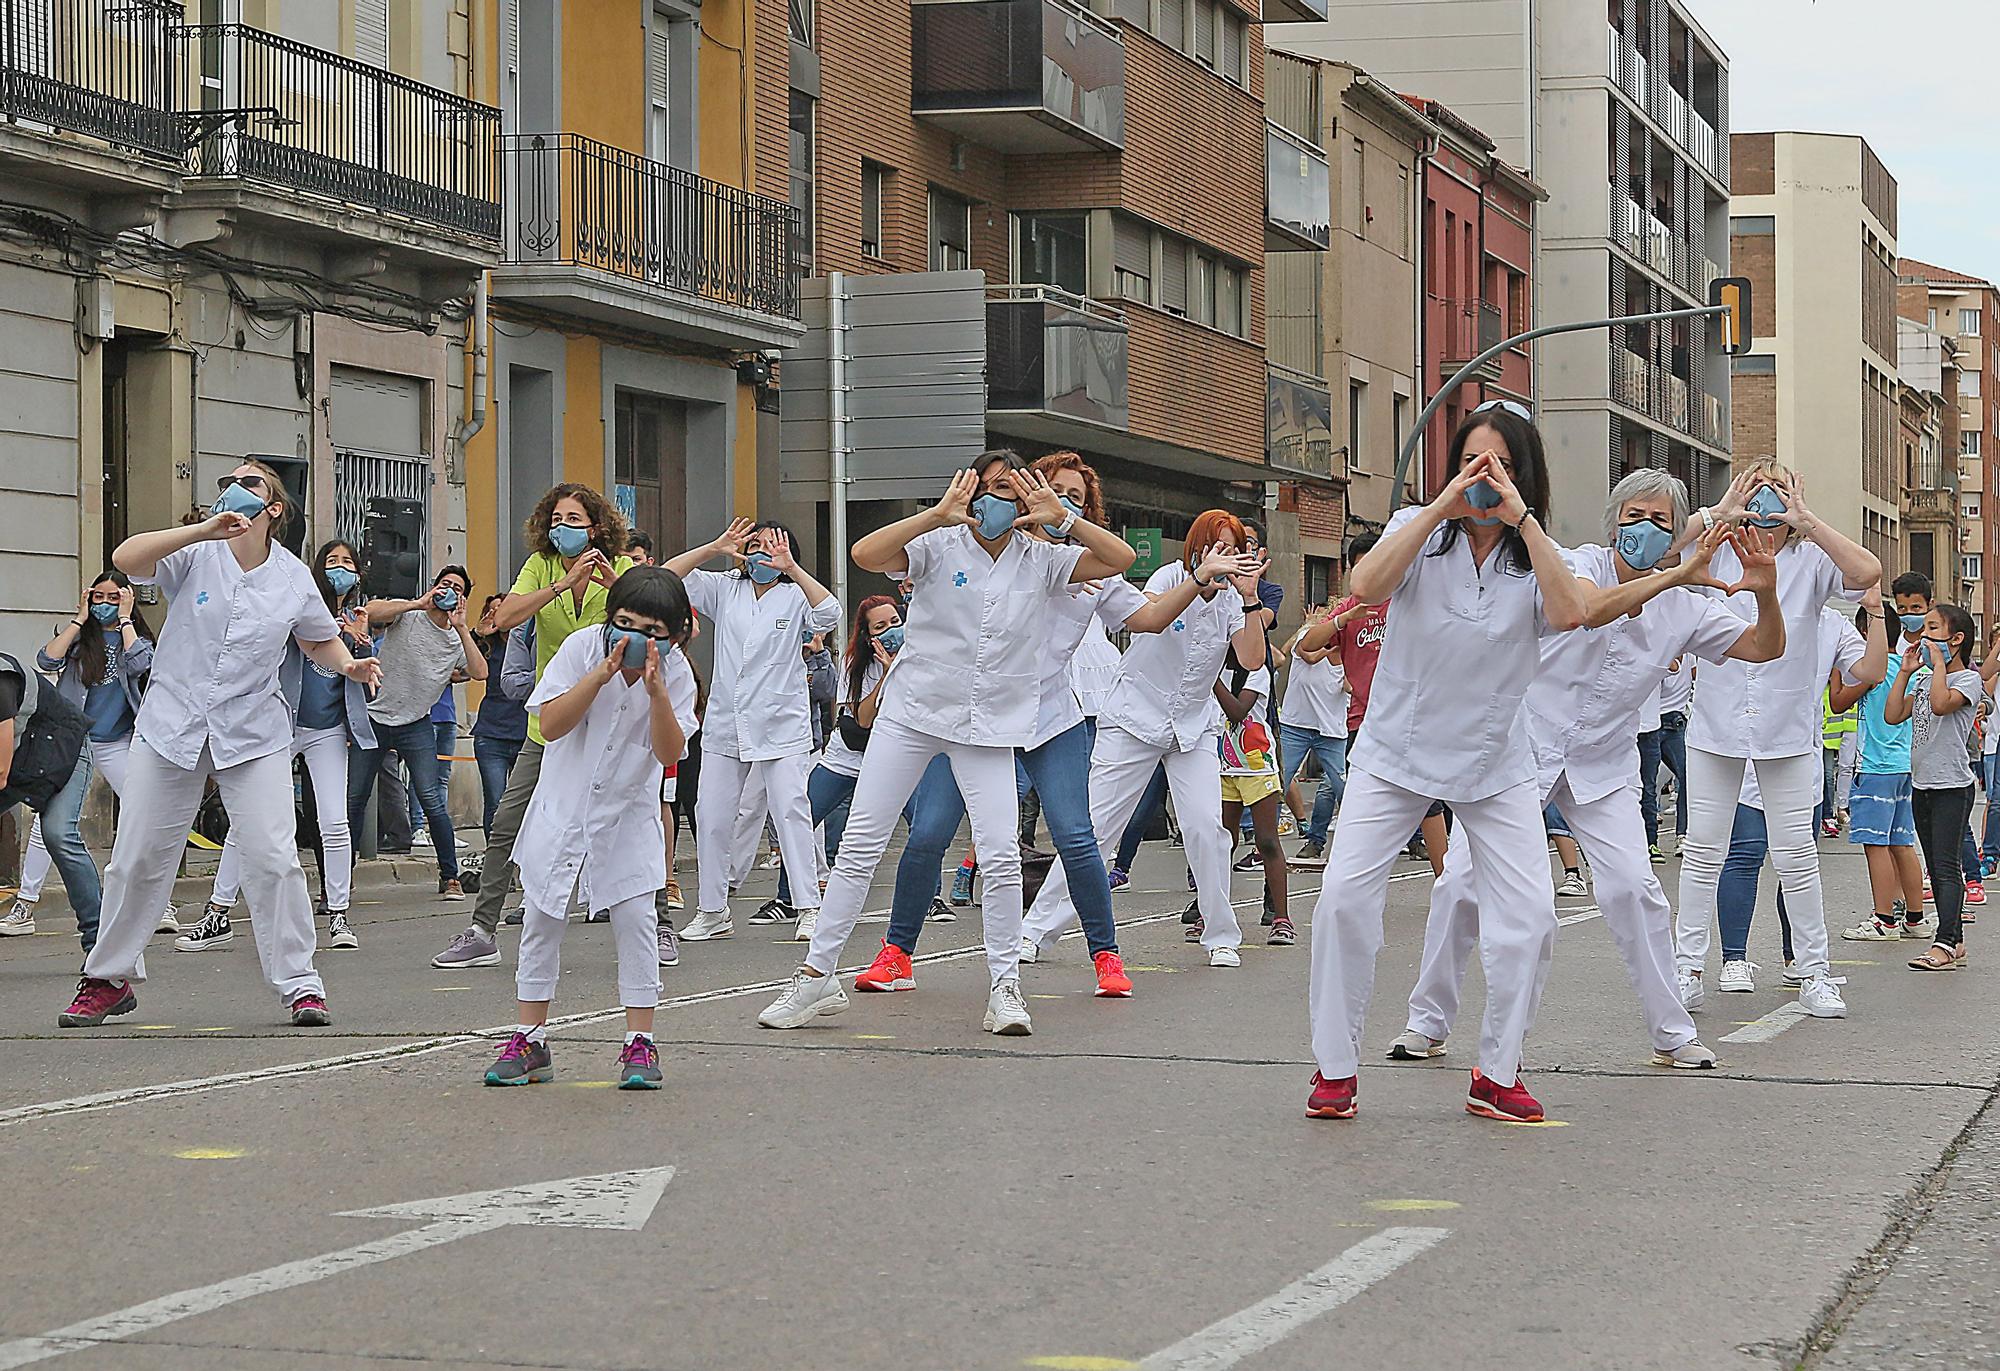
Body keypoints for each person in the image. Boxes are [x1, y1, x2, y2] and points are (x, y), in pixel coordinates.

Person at [1388, 469, 1785, 1074]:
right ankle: (1428, 1021)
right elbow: (1586, 612)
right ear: (1612, 521)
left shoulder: (1685, 605)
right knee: (1462, 883)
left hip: (1605, 766)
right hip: (1523, 751)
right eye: (1634, 516)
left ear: (1676, 531)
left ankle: (1672, 1033)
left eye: (1660, 521)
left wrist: (1764, 590)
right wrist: (1677, 570)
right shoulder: (1580, 563)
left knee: (1635, 890)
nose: (1645, 529)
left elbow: (1763, 647)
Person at [756, 454, 1136, 1037]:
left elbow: (1120, 558)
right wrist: (935, 515)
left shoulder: (1044, 558)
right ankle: (816, 977)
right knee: (861, 842)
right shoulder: (939, 545)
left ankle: (1005, 987)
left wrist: (1063, 518)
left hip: (989, 724)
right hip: (913, 712)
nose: (997, 504)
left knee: (1001, 854)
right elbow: (866, 554)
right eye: (990, 491)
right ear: (970, 492)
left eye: (1013, 492)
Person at [864, 455, 1258, 999]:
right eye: (1052, 489)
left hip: (1050, 717)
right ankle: (897, 953)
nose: (1062, 499)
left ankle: (1106, 955)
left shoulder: (1082, 568)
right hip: (977, 718)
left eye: (1075, 495)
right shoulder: (988, 553)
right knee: (930, 831)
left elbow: (1146, 617)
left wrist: (1197, 581)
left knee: (1079, 835)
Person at [1301, 406, 1588, 1124]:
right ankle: (1336, 1066)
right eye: (1472, 462)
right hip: (1397, 750)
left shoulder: (1542, 553)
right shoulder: (1418, 534)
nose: (1484, 479)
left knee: (1531, 918)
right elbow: (1364, 585)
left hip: (1495, 759)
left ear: (1525, 476)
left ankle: (1497, 1070)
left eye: (1501, 466)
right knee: (1341, 897)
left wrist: (1523, 521)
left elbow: (1572, 612)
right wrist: (1439, 507)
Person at [56, 460, 381, 1029]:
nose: (234, 485)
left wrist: (350, 665)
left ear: (273, 508)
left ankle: (301, 985)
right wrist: (205, 529)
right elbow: (127, 559)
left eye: (249, 480)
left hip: (253, 732)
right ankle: (107, 977)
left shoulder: (292, 577)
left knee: (273, 858)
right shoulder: (193, 553)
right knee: (135, 859)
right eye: (228, 479)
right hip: (170, 725)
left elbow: (318, 640)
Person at [1672, 462, 1882, 1019]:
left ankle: (1814, 972)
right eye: (1756, 491)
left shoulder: (1812, 560)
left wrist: (1807, 520)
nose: (1766, 504)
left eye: (1778, 493)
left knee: (1798, 858)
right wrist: (1717, 512)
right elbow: (1661, 553)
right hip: (1715, 724)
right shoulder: (1715, 549)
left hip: (1787, 731)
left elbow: (1868, 572)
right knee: (1702, 853)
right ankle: (1686, 968)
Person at [1019, 509, 1270, 968]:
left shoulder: (1236, 597)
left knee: (1206, 829)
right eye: (1217, 546)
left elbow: (1251, 659)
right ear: (1196, 547)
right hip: (1135, 717)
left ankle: (1219, 935)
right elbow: (1149, 614)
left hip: (1192, 727)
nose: (1226, 557)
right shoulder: (1170, 575)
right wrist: (1200, 578)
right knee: (1093, 831)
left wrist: (1250, 599)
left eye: (1234, 549)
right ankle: (1036, 929)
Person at [481, 566, 696, 1089]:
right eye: (623, 623)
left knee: (637, 924)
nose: (634, 639)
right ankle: (529, 1039)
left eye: (651, 632)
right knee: (542, 918)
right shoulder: (581, 648)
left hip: (627, 818)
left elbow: (670, 752)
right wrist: (599, 675)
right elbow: (551, 725)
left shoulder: (679, 675)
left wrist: (659, 695)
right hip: (562, 810)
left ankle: (639, 1043)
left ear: (674, 636)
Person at [436, 483, 635, 969]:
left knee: (629, 825)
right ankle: (482, 930)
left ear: (596, 527)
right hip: (550, 722)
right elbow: (502, 618)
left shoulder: (623, 568)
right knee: (507, 823)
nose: (562, 528)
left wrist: (612, 587)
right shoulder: (542, 566)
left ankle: (659, 924)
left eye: (573, 520)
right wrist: (562, 586)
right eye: (557, 519)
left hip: (609, 722)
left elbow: (652, 618)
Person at [177, 541, 381, 953]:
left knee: (334, 822)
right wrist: (331, 630)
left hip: (327, 731)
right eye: (331, 562)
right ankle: (218, 912)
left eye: (347, 564)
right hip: (280, 726)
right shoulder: (294, 603)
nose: (339, 570)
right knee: (246, 820)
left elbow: (369, 688)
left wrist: (360, 649)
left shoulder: (359, 622)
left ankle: (339, 914)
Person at [664, 520, 840, 942]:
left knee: (792, 811)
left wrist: (793, 568)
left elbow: (829, 614)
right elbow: (669, 578)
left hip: (781, 722)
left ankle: (808, 907)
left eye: (774, 546)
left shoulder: (796, 593)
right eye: (756, 545)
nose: (763, 554)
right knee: (711, 816)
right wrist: (714, 547)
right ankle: (712, 910)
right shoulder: (726, 586)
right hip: (727, 720)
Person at [1713, 597, 1881, 992]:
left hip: (1801, 755)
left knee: (1797, 864)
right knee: (1745, 854)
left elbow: (1869, 670)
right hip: (1748, 752)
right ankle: (1733, 960)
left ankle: (1798, 959)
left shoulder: (1831, 623)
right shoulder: (1737, 607)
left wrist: (1874, 609)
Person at [2, 571, 162, 939]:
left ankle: (153, 899)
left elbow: (143, 666)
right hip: (72, 741)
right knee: (51, 825)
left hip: (117, 741)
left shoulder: (133, 639)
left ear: (126, 598)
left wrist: (125, 619)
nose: (103, 605)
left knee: (145, 813)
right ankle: (25, 903)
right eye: (98, 598)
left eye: (112, 597)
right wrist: (79, 620)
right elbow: (47, 659)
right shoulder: (78, 641)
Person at [347, 565, 484, 901]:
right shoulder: (409, 615)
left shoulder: (455, 639)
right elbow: (373, 611)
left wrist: (463, 628)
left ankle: (450, 876)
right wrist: (416, 603)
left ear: (462, 598)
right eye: (443, 584)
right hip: (375, 718)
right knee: (354, 800)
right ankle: (340, 878)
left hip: (416, 724)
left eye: (456, 588)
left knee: (432, 800)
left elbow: (480, 671)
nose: (447, 590)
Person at [1888, 604, 1982, 972]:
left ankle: (1944, 941)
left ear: (1955, 639)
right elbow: (1893, 713)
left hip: (1952, 786)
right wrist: (1907, 673)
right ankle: (1954, 940)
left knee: (1945, 866)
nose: (1923, 638)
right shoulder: (1927, 681)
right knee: (1935, 863)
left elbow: (1942, 707)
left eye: (1932, 630)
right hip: (1923, 783)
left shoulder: (1966, 681)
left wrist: (1939, 665)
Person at [1838, 576, 1931, 943]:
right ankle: (1914, 916)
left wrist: (1836, 670)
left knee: (1875, 844)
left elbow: (1839, 700)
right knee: (1902, 843)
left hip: (1875, 767)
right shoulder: (1910, 666)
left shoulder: (1872, 670)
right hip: (1904, 766)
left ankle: (1883, 919)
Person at [0, 649, 101, 955]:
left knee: (58, 833)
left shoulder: (1, 679)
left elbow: (0, 772)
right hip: (26, 760)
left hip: (64, 749)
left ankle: (99, 943)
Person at [1215, 643, 1293, 943]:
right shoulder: (1218, 667)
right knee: (1223, 842)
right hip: (1223, 767)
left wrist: (1210, 678)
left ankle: (1281, 918)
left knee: (1266, 841)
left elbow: (1237, 711)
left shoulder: (1257, 670)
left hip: (1257, 766)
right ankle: (1213, 912)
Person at [1275, 610, 1347, 867]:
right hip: (1296, 725)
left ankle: (1333, 844)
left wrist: (1346, 657)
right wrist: (1328, 647)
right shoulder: (1307, 638)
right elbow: (1309, 655)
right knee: (1277, 782)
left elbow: (1352, 686)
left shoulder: (1349, 652)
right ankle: (1267, 843)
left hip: (1331, 731)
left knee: (1340, 788)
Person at [471, 593, 533, 836]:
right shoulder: (488, 646)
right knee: (495, 801)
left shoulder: (529, 641)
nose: (499, 614)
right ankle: (494, 858)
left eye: (504, 608)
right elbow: (465, 664)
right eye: (493, 610)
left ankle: (519, 860)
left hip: (525, 732)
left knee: (522, 806)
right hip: (491, 734)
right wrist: (476, 634)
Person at [1639, 655, 1693, 861]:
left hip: (1676, 722)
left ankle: (1683, 835)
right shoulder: (1661, 648)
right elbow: (1668, 668)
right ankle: (1650, 842)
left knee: (1688, 777)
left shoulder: (1692, 654)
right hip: (1650, 725)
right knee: (1648, 785)